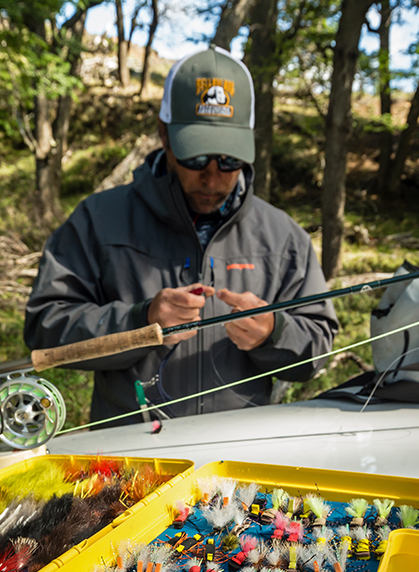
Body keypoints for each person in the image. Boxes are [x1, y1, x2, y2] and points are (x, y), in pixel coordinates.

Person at [24, 46, 338, 426]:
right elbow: (46, 326)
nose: (211, 177)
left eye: (228, 160)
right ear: (165, 136)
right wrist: (141, 320)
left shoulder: (284, 238)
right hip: (131, 461)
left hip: (244, 460)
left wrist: (273, 333)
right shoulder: (98, 220)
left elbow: (318, 346)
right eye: (195, 157)